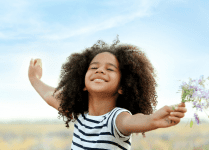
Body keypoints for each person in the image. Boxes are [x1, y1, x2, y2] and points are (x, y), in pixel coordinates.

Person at [28, 38, 187, 150]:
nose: (100, 70)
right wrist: (34, 78)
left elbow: (131, 121)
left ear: (122, 87)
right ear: (82, 84)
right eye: (93, 67)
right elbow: (51, 96)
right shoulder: (80, 116)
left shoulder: (116, 119)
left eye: (110, 69)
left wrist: (152, 120)